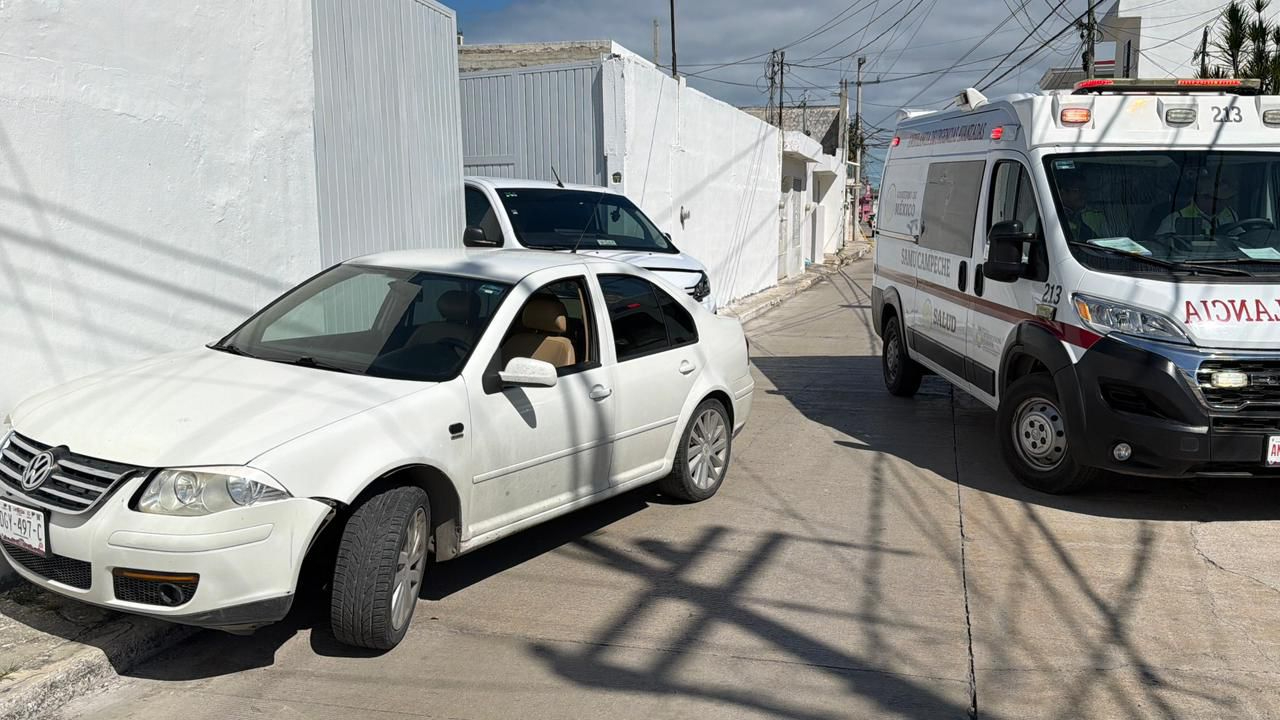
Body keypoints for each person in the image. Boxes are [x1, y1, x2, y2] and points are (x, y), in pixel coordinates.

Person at [1155, 170, 1238, 237]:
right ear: (1201, 197)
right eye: (1219, 200)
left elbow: (1239, 236)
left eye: (1228, 199)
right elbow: (1160, 245)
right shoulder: (1176, 218)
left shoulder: (1230, 213)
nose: (1224, 204)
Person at [1058, 174, 1109, 241]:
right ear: (1062, 193)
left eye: (1085, 190)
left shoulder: (1092, 215)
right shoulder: (1055, 217)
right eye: (1077, 190)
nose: (1083, 194)